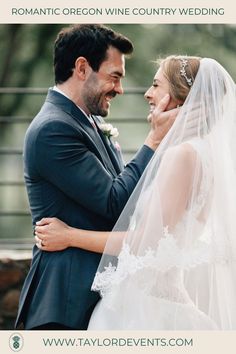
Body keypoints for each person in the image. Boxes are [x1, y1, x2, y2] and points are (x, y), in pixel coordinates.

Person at [35, 55, 236, 330]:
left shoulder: (182, 156)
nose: (148, 94)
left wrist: (69, 236)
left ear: (179, 99)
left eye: (156, 85)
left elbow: (146, 243)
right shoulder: (203, 154)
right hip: (163, 302)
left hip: (145, 309)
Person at [15, 25, 177, 330]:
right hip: (66, 301)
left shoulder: (86, 121)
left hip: (101, 295)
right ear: (81, 68)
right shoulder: (53, 129)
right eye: (114, 76)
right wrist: (154, 140)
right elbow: (116, 204)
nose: (119, 89)